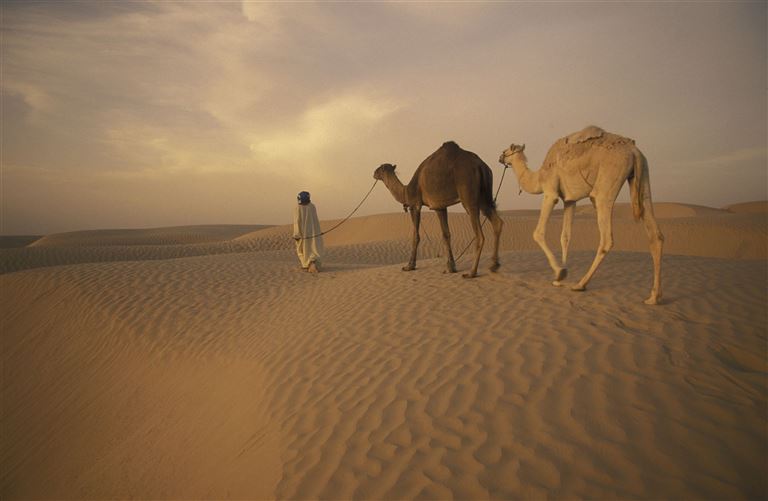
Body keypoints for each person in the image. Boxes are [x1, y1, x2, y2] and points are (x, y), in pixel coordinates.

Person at [293, 191, 324, 272]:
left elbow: (297, 222)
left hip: (303, 234)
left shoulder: (298, 208)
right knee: (314, 249)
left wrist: (296, 235)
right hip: (315, 233)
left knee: (302, 250)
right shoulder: (312, 207)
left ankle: (306, 265)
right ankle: (313, 263)